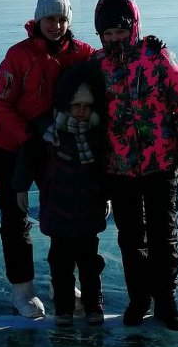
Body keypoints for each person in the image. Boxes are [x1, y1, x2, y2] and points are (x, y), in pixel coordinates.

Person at [91, 0, 178, 331]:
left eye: (121, 32)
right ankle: (139, 299)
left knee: (163, 236)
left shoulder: (157, 57)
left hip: (160, 164)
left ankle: (166, 302)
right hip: (119, 168)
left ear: (134, 27)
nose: (115, 39)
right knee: (130, 239)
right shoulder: (97, 66)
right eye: (108, 34)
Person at [0, 0, 94, 318]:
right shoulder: (18, 55)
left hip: (55, 150)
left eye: (62, 19)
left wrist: (145, 46)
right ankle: (22, 290)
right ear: (38, 19)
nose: (56, 25)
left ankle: (60, 284)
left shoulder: (82, 54)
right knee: (15, 218)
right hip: (10, 148)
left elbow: (113, 63)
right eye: (50, 18)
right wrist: (27, 138)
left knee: (61, 216)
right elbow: (0, 103)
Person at [12, 65, 109, 327]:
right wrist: (21, 186)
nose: (81, 110)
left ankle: (93, 307)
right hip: (58, 208)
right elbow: (29, 158)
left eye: (86, 106)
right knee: (60, 265)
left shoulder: (96, 133)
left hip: (89, 208)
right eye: (75, 104)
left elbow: (104, 168)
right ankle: (64, 309)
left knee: (90, 265)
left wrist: (107, 196)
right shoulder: (49, 130)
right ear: (65, 103)